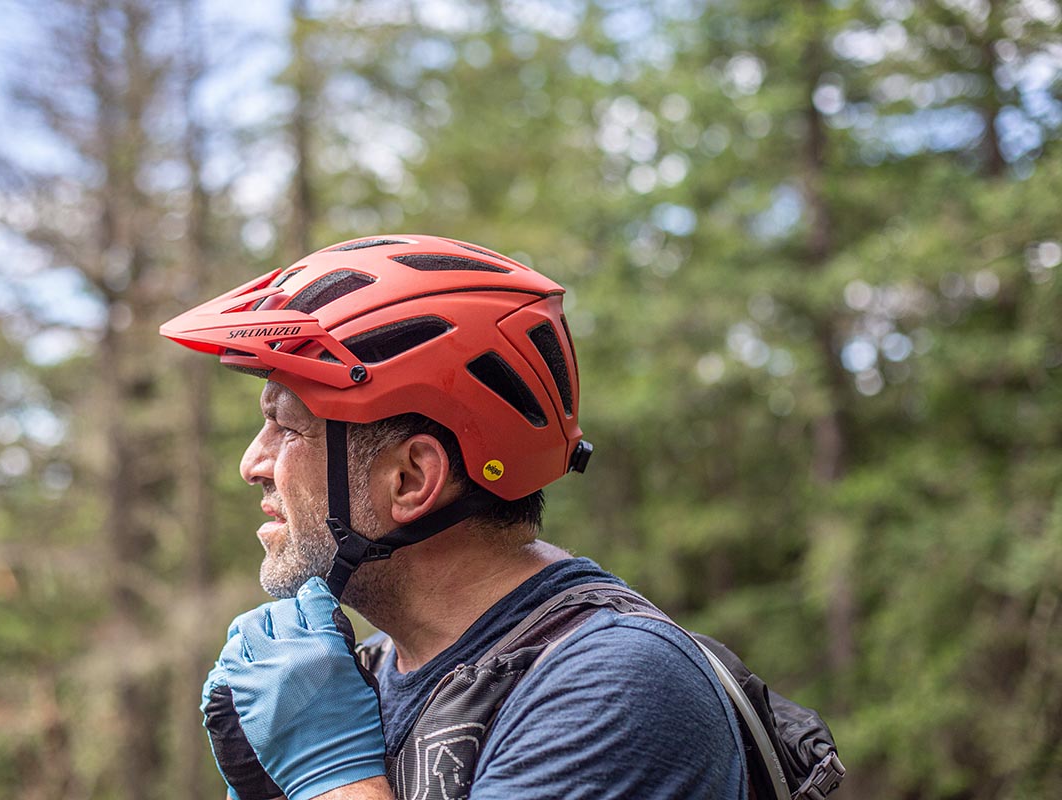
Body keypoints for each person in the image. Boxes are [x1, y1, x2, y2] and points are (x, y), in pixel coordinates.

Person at [160, 234, 748, 800]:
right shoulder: (365, 679)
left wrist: (331, 778)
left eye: (288, 426)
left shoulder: (614, 687)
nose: (251, 464)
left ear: (411, 480)